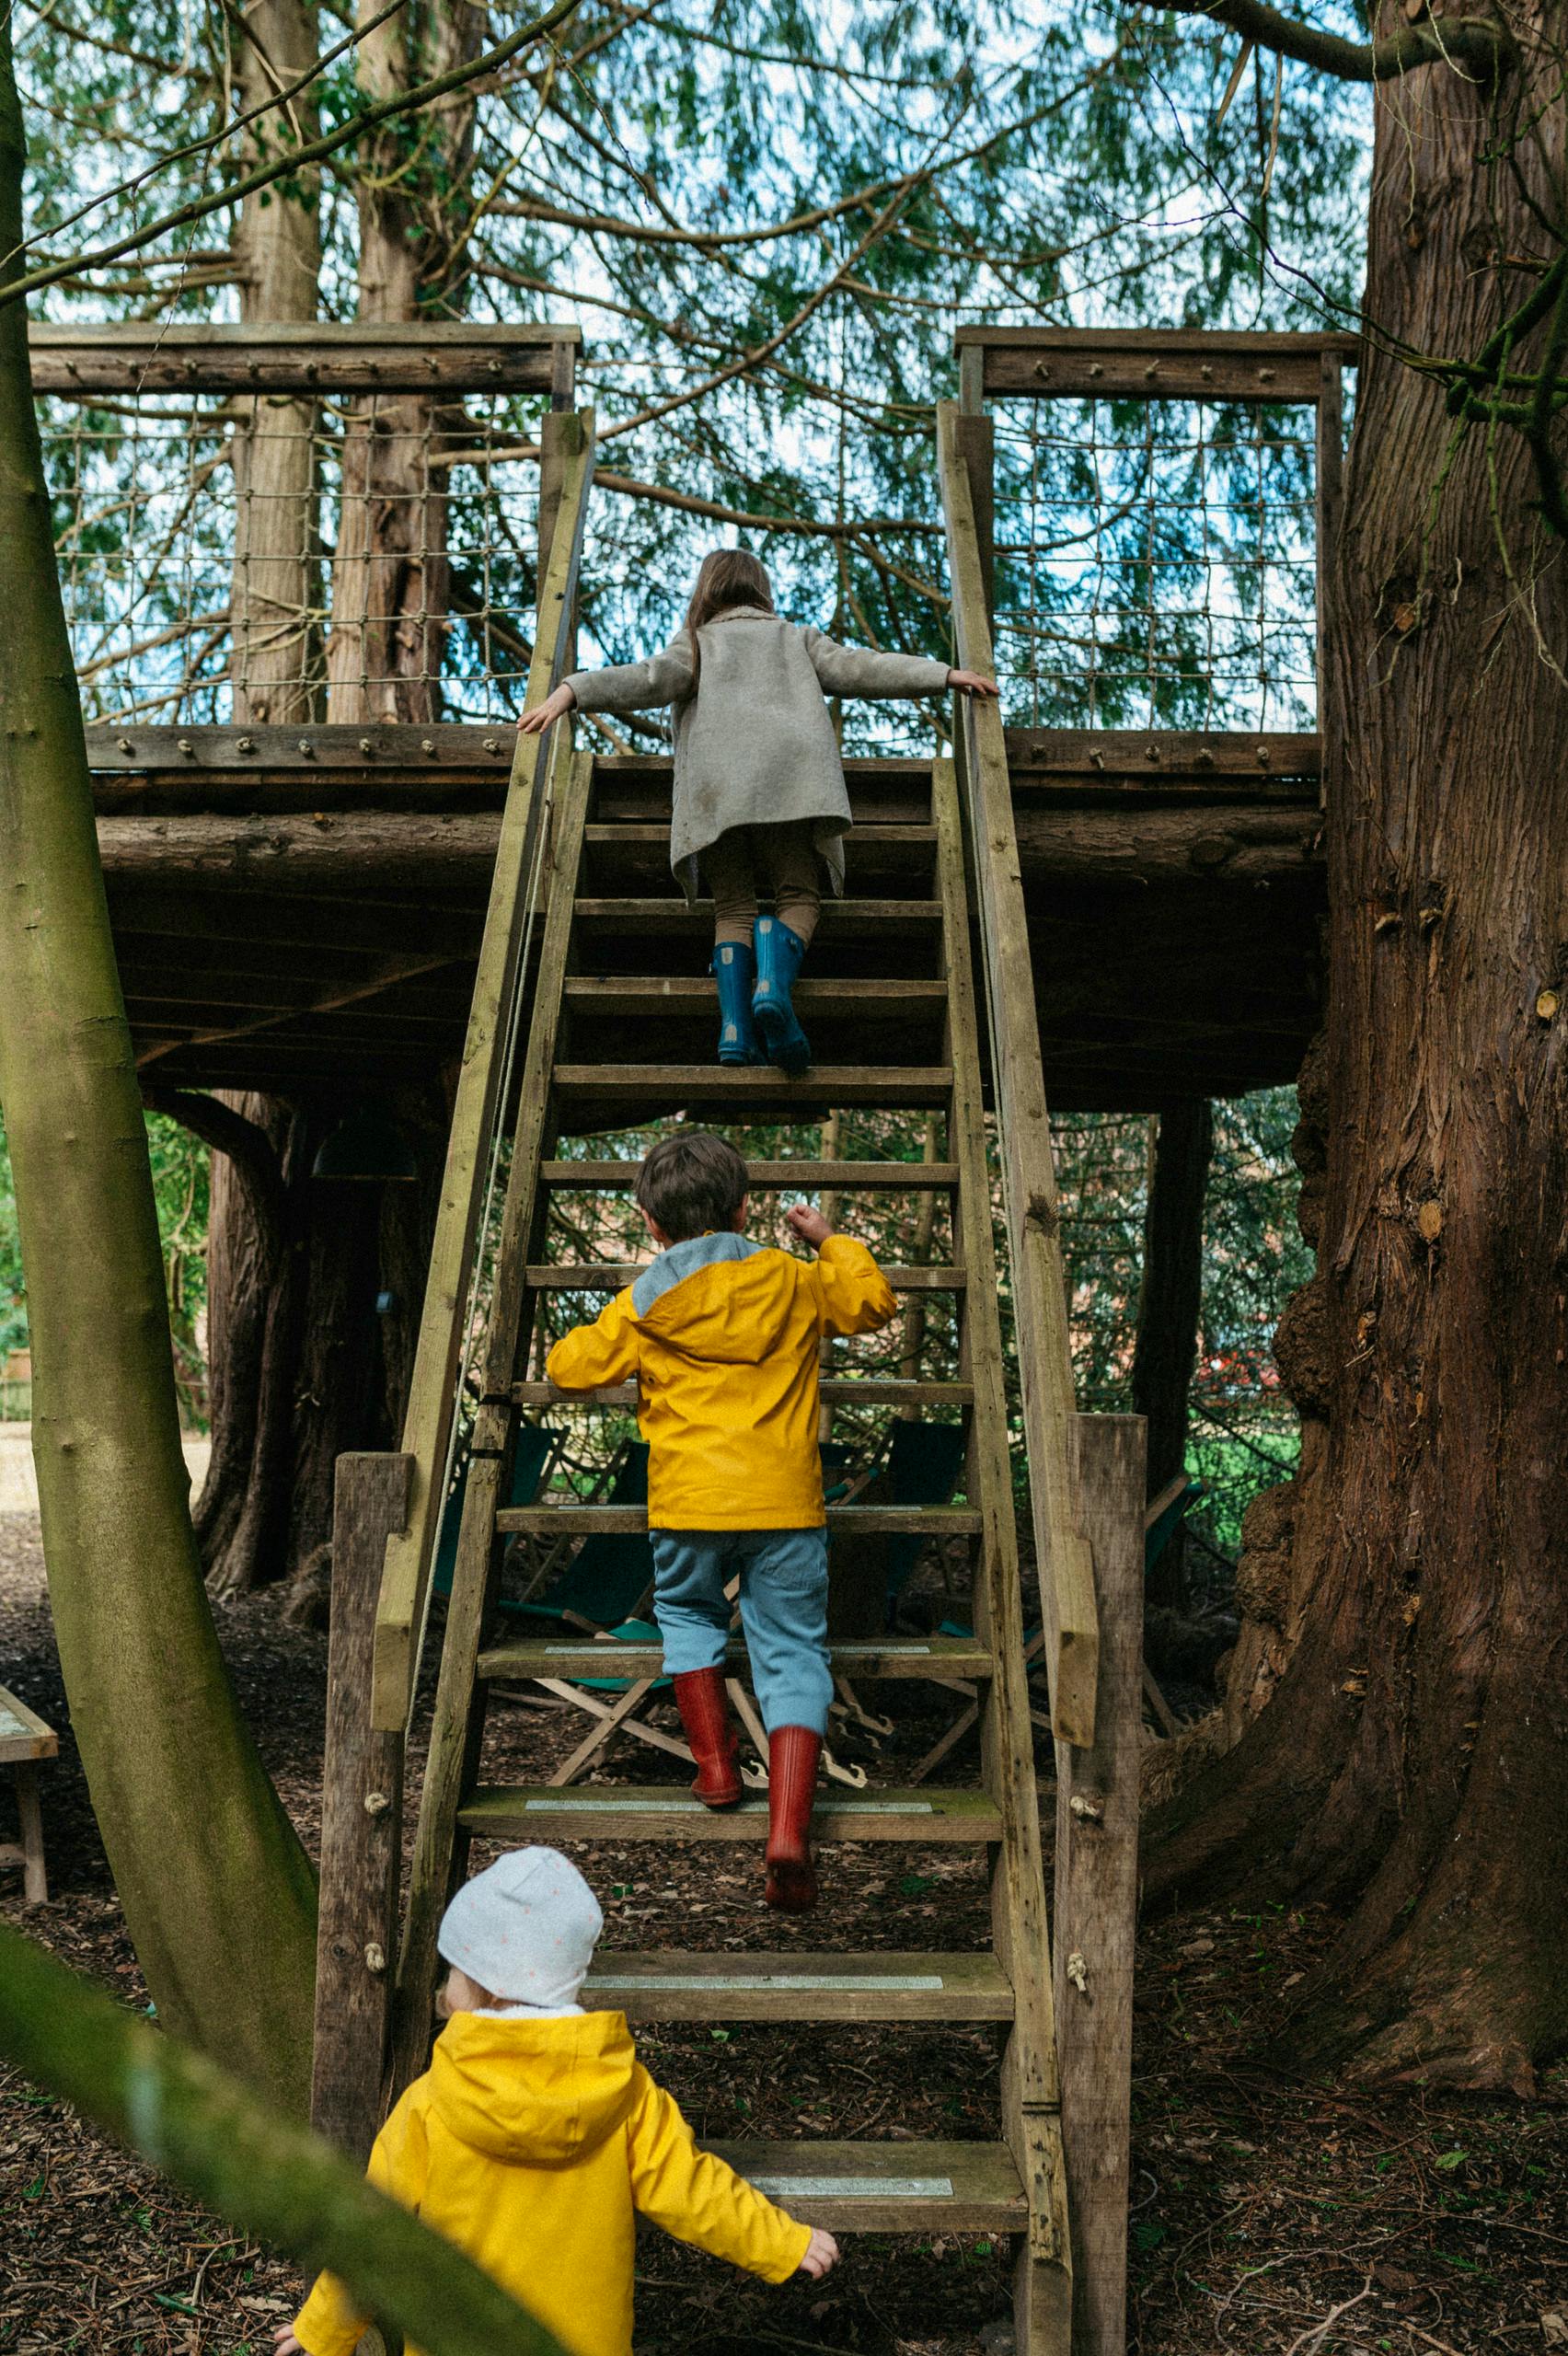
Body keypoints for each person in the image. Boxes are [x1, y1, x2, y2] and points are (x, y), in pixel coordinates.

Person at [273, 1848, 837, 2356]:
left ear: (480, 1986)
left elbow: (377, 2233)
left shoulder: (431, 2103)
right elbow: (692, 2189)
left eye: (454, 1970)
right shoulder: (621, 2089)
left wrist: (322, 2331)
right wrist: (782, 2243)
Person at [546, 1129, 896, 1911]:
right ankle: (788, 1828)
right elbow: (872, 1302)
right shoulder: (796, 1282)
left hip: (689, 1506)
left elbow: (570, 1369)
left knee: (686, 1614)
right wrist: (833, 1242)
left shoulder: (645, 1302)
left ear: (649, 1222)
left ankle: (712, 1769)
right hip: (785, 1505)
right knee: (793, 1652)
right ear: (744, 1208)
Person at [520, 547, 998, 1071]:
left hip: (717, 799)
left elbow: (648, 677)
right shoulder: (795, 638)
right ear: (761, 591)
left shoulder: (696, 645)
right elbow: (861, 668)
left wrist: (572, 690)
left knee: (732, 909)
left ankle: (734, 1031)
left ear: (707, 592)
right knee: (797, 895)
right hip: (790, 789)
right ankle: (772, 980)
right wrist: (943, 675)